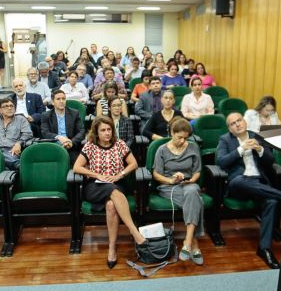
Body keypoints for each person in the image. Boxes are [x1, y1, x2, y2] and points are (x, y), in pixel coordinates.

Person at [72, 116, 148, 268]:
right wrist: (97, 174)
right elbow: (77, 167)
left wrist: (119, 175)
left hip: (116, 183)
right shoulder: (90, 146)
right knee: (111, 190)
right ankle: (134, 232)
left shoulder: (119, 144)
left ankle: (112, 248)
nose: (107, 133)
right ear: (96, 132)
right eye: (103, 130)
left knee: (111, 206)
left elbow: (133, 163)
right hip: (95, 186)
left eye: (109, 129)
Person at [218, 112, 281, 269]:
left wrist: (260, 149)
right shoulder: (225, 140)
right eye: (233, 123)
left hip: (258, 183)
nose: (237, 124)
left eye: (239, 120)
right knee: (241, 180)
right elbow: (221, 162)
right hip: (239, 184)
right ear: (229, 128)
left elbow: (271, 160)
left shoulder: (256, 136)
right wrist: (241, 149)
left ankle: (264, 249)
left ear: (245, 121)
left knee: (271, 202)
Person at [152, 117, 204, 265]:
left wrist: (191, 180)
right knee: (196, 200)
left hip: (188, 184)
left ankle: (186, 243)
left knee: (192, 191)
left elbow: (197, 171)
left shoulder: (193, 147)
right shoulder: (162, 150)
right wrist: (171, 180)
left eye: (185, 138)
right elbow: (156, 174)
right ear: (172, 133)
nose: (182, 141)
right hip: (168, 186)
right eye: (179, 137)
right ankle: (193, 243)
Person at [0, 97, 33, 169]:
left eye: (11, 106)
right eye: (6, 106)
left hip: (11, 150)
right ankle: (16, 165)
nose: (9, 108)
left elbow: (28, 134)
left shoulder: (21, 119)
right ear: (0, 110)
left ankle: (14, 165)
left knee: (0, 158)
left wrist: (19, 143)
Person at [41, 89, 84, 164]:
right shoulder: (46, 115)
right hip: (54, 147)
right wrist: (59, 137)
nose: (61, 101)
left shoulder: (74, 113)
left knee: (78, 164)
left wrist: (72, 142)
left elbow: (81, 131)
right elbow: (45, 132)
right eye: (58, 99)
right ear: (53, 102)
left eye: (63, 99)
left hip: (72, 147)